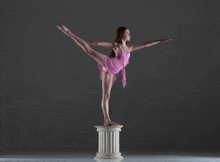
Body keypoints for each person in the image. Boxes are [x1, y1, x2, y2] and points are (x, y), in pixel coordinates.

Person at [56, 25, 172, 126]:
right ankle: (68, 32)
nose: (130, 35)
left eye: (129, 33)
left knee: (106, 95)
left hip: (111, 70)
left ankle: (107, 120)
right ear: (122, 34)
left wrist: (160, 40)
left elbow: (146, 44)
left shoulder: (130, 48)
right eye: (127, 33)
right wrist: (86, 42)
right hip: (110, 63)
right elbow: (97, 43)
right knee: (89, 51)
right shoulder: (116, 45)